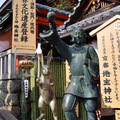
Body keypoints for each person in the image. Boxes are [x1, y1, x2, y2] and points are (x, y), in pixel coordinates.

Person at [40, 11, 99, 120]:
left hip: (87, 83)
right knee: (67, 107)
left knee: (90, 109)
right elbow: (57, 41)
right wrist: (52, 24)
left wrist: (89, 63)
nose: (78, 36)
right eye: (76, 34)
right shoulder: (69, 49)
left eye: (80, 34)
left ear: (83, 36)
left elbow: (97, 65)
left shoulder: (89, 49)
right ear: (72, 36)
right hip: (74, 83)